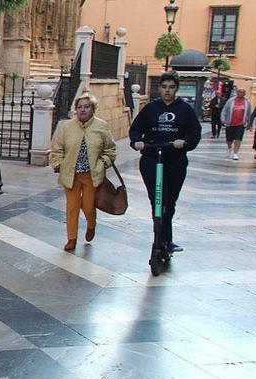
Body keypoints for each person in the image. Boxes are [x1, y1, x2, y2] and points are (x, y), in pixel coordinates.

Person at [129, 71, 201, 253]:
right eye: (164, 87)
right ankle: (158, 239)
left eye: (171, 87)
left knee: (169, 201)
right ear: (159, 88)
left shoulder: (185, 109)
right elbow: (136, 129)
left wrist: (184, 142)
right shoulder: (151, 109)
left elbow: (194, 132)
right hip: (152, 158)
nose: (167, 91)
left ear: (176, 89)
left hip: (174, 160)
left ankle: (167, 240)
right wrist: (137, 142)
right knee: (156, 200)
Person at [49, 93, 116, 251]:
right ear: (76, 110)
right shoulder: (66, 127)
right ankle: (71, 238)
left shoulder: (101, 126)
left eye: (86, 107)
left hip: (91, 175)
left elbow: (110, 150)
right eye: (80, 107)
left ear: (93, 109)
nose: (83, 110)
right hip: (70, 174)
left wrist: (104, 163)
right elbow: (57, 148)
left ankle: (91, 225)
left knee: (88, 206)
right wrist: (57, 163)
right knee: (72, 206)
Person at [221, 88, 251, 160]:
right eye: (239, 92)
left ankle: (235, 153)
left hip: (241, 123)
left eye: (242, 92)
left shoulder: (247, 102)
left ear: (244, 94)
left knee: (238, 139)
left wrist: (249, 123)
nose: (240, 93)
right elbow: (225, 110)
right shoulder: (231, 101)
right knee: (229, 139)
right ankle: (229, 148)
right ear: (237, 93)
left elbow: (249, 113)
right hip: (230, 122)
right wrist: (223, 118)